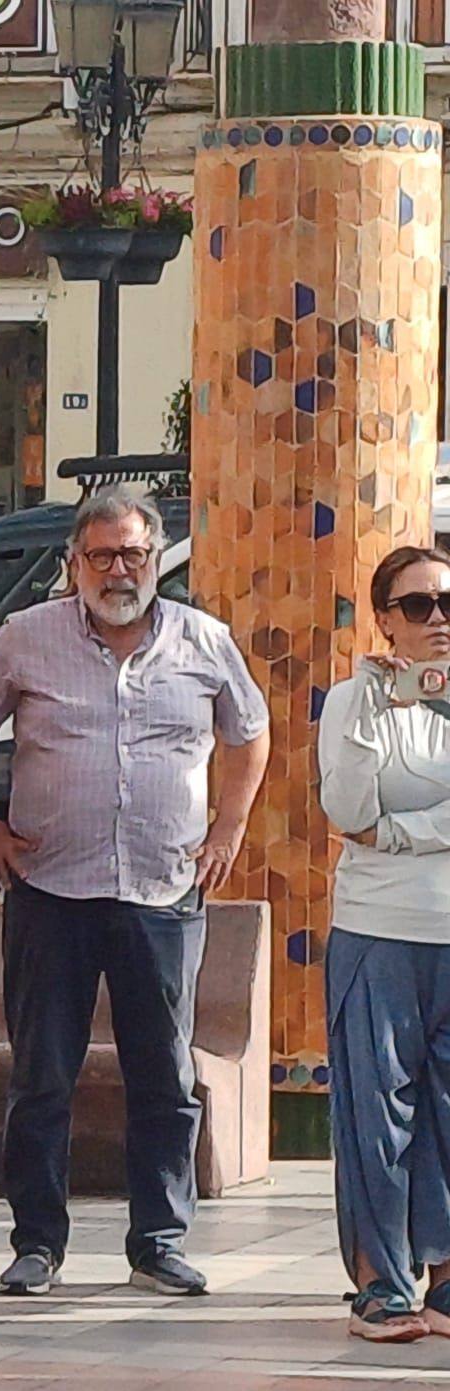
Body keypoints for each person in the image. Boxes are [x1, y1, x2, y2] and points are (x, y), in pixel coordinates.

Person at [0, 484, 270, 1299]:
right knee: (42, 1079)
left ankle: (159, 1243)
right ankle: (37, 1245)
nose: (117, 571)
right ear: (74, 563)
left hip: (162, 895)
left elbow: (249, 732)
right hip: (50, 892)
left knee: (164, 1078)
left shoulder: (204, 640)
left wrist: (228, 829)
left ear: (155, 557)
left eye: (132, 554)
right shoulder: (26, 637)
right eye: (100, 556)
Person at [316, 543, 450, 1342]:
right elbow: (349, 811)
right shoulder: (352, 700)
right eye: (419, 605)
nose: (438, 620)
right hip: (379, 930)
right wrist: (373, 709)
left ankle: (446, 1278)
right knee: (376, 1110)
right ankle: (380, 1282)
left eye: (449, 603)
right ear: (385, 619)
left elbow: (380, 828)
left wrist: (401, 834)